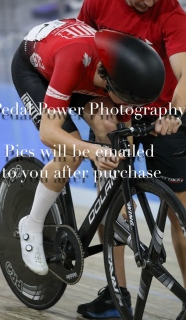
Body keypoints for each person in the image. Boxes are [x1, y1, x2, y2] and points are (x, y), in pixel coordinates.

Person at [11, 17, 164, 276]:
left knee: (109, 127)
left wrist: (120, 186)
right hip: (38, 71)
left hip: (86, 74)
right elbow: (49, 134)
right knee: (70, 155)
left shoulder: (123, 73)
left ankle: (106, 202)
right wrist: (92, 150)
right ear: (113, 85)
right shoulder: (73, 61)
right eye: (129, 101)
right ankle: (32, 224)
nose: (131, 106)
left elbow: (122, 140)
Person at [76, 0, 186, 319]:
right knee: (112, 195)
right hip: (116, 109)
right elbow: (81, 47)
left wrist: (176, 113)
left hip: (161, 117)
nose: (147, 2)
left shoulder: (172, 14)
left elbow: (183, 73)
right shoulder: (98, 4)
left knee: (180, 214)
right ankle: (115, 292)